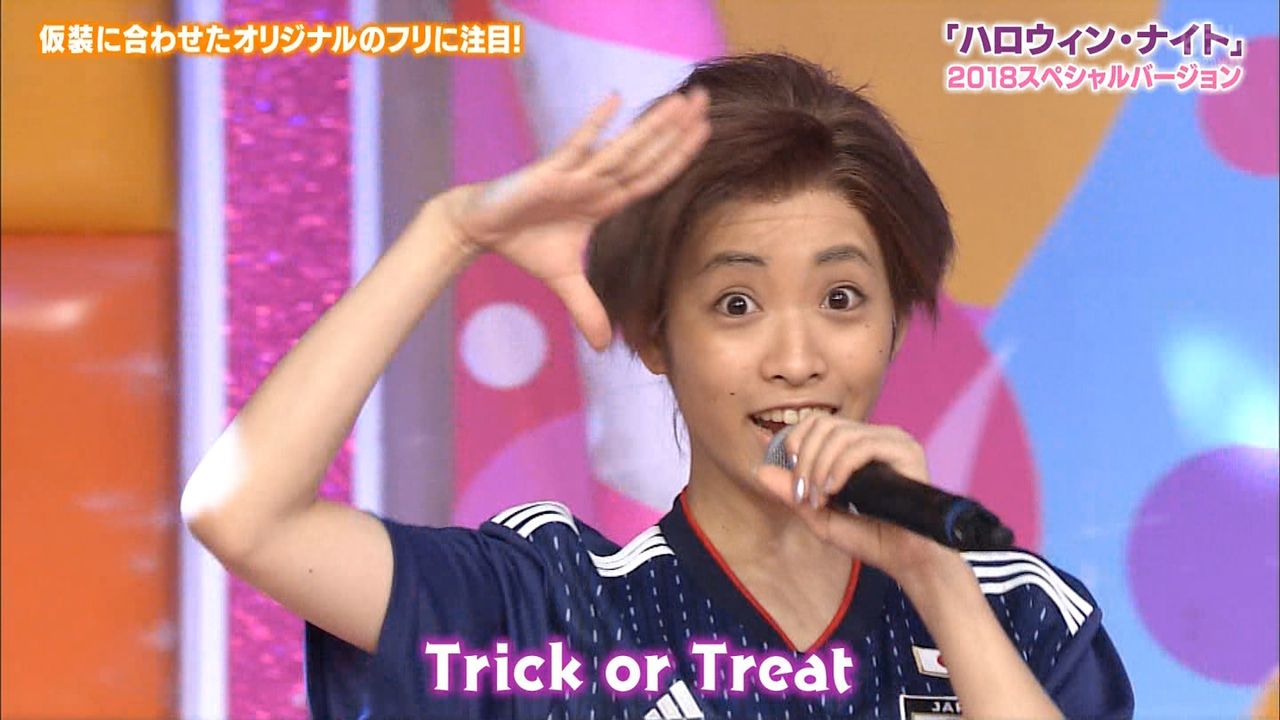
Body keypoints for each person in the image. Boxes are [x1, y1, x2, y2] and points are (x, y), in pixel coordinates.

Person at [181, 52, 1134, 719]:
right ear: (652, 337)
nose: (796, 356)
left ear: (894, 322)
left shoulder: (1018, 613)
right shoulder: (551, 612)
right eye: (736, 304)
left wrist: (938, 582)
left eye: (841, 298)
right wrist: (451, 232)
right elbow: (245, 516)